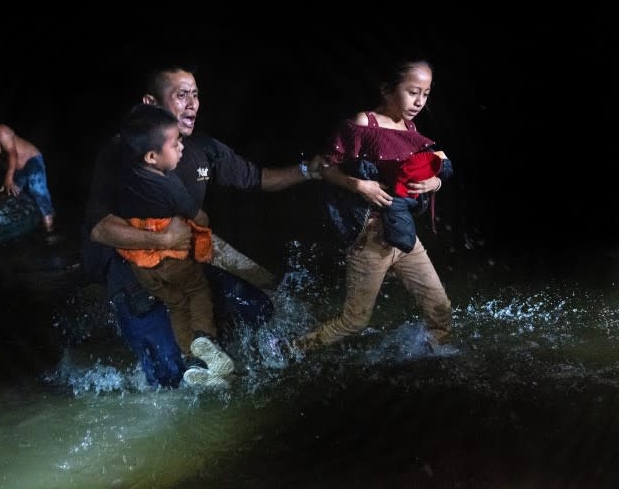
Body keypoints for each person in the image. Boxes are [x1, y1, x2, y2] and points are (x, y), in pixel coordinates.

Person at [82, 63, 325, 389]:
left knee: (258, 310)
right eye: (181, 95)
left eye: (195, 95)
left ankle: (210, 355)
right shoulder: (120, 153)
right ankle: (179, 355)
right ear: (151, 103)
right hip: (132, 270)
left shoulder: (202, 148)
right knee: (167, 379)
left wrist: (310, 170)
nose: (192, 103)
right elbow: (99, 228)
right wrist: (163, 238)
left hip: (183, 259)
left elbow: (257, 178)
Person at [294, 59, 453, 352]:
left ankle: (433, 360)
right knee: (354, 321)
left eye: (426, 94)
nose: (419, 101)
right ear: (387, 89)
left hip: (401, 233)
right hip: (368, 237)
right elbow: (324, 168)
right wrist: (360, 185)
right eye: (412, 91)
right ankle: (290, 348)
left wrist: (436, 183)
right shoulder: (363, 124)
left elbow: (421, 173)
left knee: (440, 308)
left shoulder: (410, 128)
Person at [116, 103, 235, 387]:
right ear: (153, 156)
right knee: (197, 291)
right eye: (176, 144)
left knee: (176, 305)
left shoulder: (124, 182)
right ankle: (205, 339)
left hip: (141, 268)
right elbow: (200, 217)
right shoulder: (168, 184)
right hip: (174, 259)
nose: (182, 147)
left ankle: (193, 363)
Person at [0, 106, 56, 233]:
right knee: (9, 200)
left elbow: (13, 154)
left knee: (37, 191)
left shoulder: (1, 131)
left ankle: (50, 231)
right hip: (14, 171)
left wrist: (8, 178)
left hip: (31, 160)